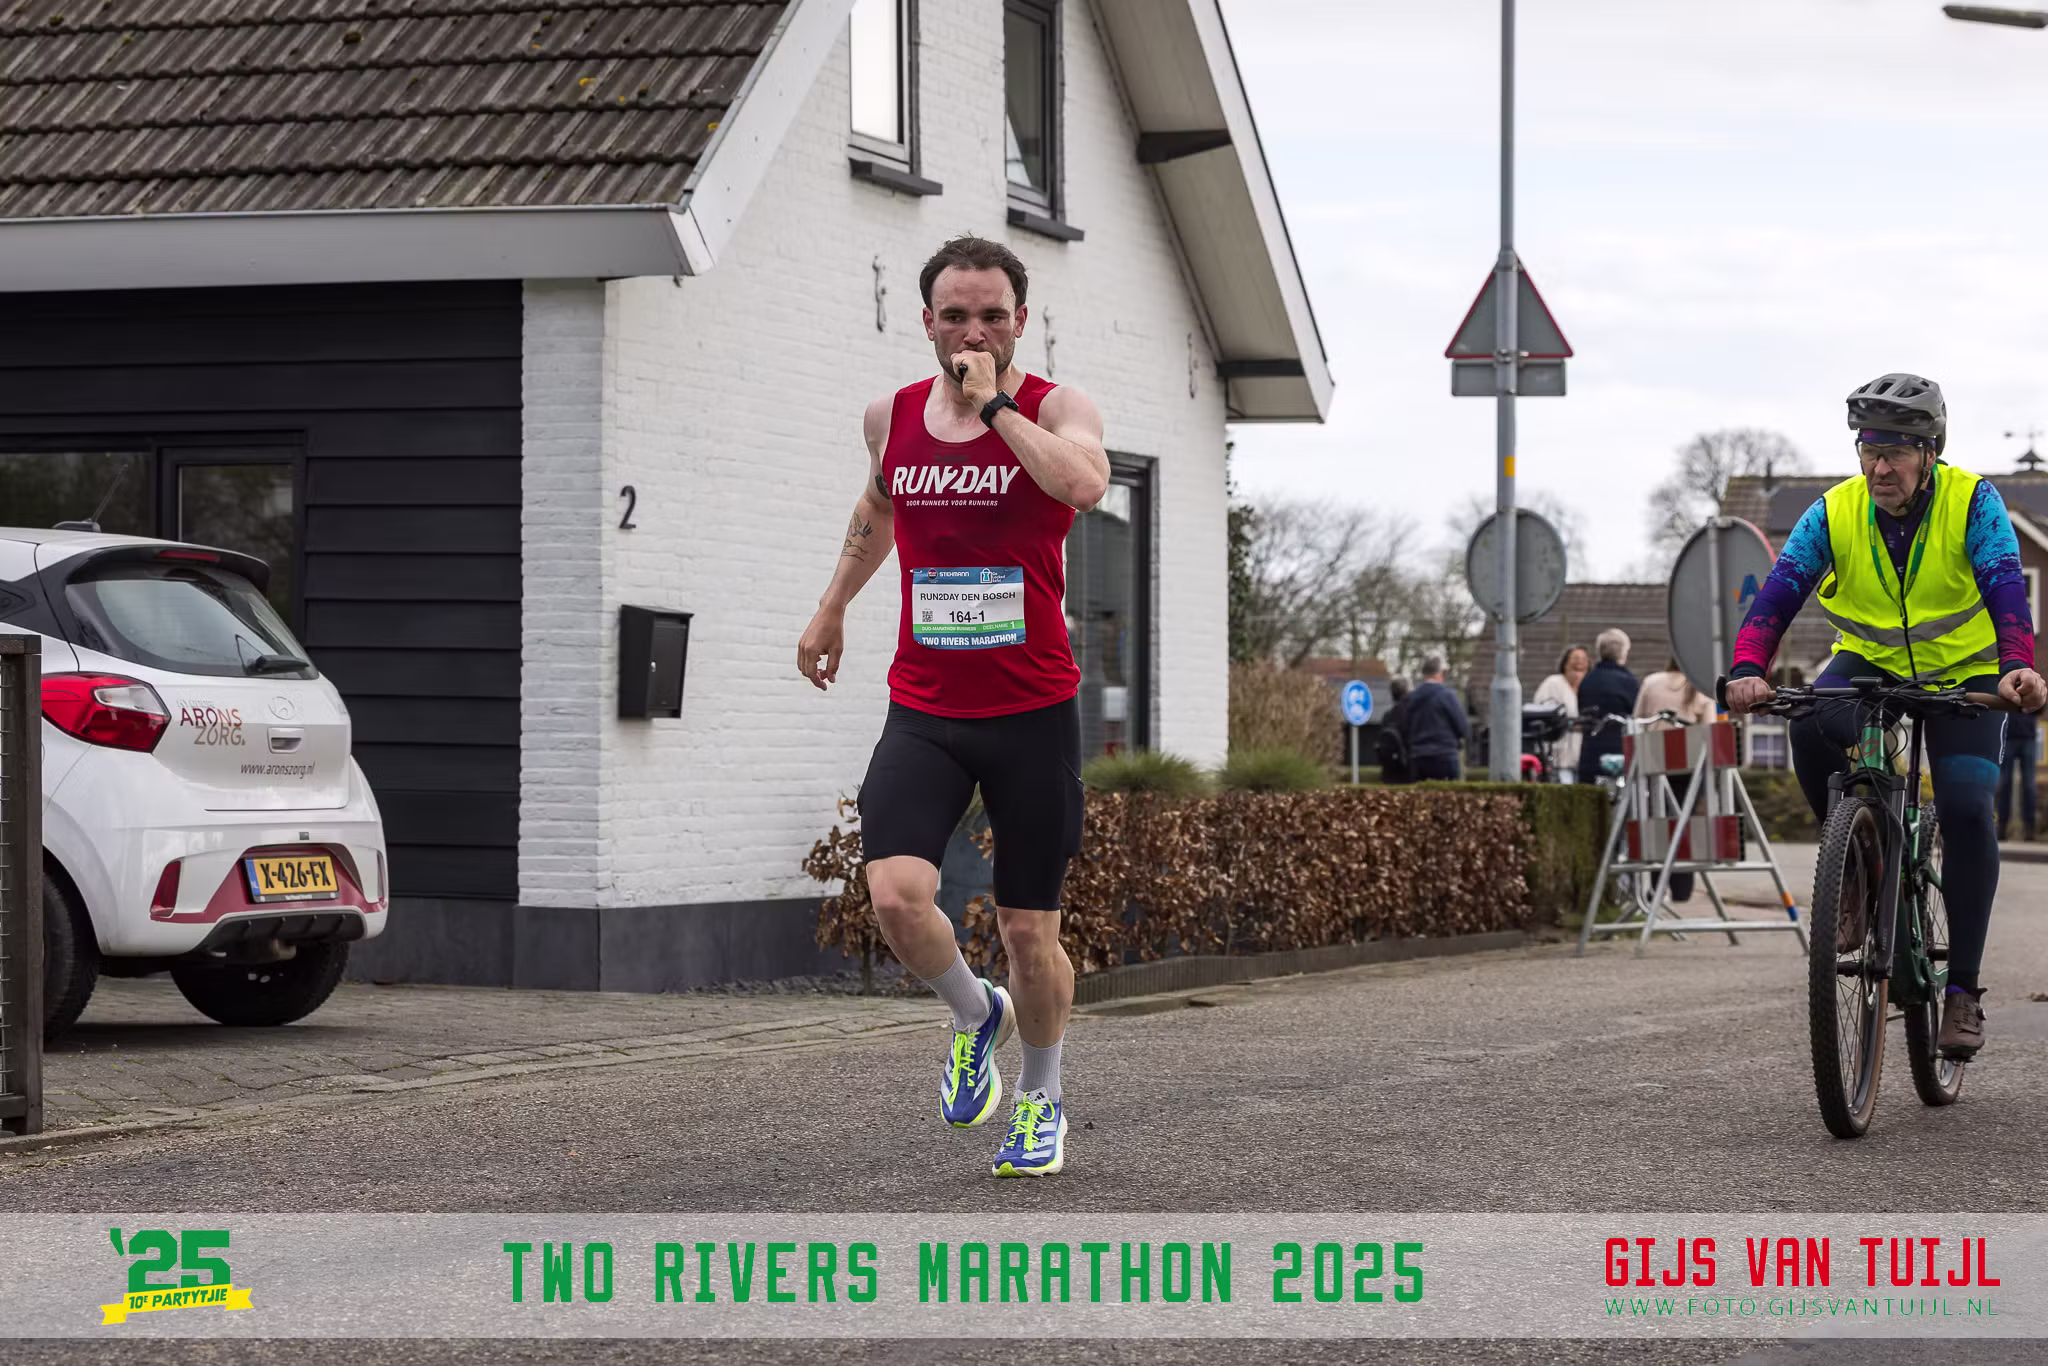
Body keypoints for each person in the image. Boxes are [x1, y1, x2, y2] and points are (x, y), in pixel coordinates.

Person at [796, 235, 1110, 1176]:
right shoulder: (890, 416)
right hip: (926, 706)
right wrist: (831, 606)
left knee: (1027, 930)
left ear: (1021, 319)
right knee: (896, 895)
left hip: (1032, 710)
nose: (975, 332)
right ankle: (978, 1016)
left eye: (993, 316)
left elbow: (1084, 485)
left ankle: (1042, 1098)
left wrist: (996, 405)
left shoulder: (1055, 408)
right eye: (957, 316)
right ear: (927, 321)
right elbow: (879, 508)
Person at [1725, 372, 2047, 1060]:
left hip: (1968, 671)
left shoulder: (1973, 501)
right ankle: (1855, 870)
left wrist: (2016, 663)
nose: (1879, 468)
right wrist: (1748, 666)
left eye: (1895, 452)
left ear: (1930, 454)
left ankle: (1962, 991)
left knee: (1966, 806)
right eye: (1869, 451)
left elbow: (2004, 584)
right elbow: (1778, 592)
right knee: (1808, 719)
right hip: (1870, 662)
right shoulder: (1834, 511)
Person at [1634, 658, 1716, 902]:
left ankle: (1656, 886)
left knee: (1658, 822)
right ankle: (1682, 888)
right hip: (1689, 765)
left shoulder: (1651, 682)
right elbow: (1710, 730)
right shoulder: (1701, 687)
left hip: (1655, 762)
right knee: (1684, 824)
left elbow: (1638, 719)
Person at [1576, 628, 1640, 784]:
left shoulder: (1588, 680)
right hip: (1619, 753)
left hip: (1590, 752)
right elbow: (1637, 712)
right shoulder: (1628, 682)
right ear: (1623, 653)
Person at [1402, 655, 1469, 782]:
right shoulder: (1447, 696)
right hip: (1445, 755)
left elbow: (1405, 728)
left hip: (1418, 757)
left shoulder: (1411, 698)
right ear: (1439, 673)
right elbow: (1463, 727)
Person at [1533, 645, 1590, 776]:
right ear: (1565, 664)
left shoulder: (1590, 687)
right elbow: (1542, 711)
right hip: (1557, 755)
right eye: (1575, 658)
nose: (1579, 662)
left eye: (1583, 659)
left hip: (1582, 756)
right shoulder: (1553, 684)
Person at [1999, 718, 2038, 843]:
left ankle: (2030, 828)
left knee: (2029, 786)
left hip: (2028, 736)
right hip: (2007, 736)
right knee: (2004, 784)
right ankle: (2002, 827)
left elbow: (2041, 709)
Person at [1375, 676, 1413, 784]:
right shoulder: (1413, 714)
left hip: (1389, 771)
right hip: (1408, 771)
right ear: (1408, 692)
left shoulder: (1387, 716)